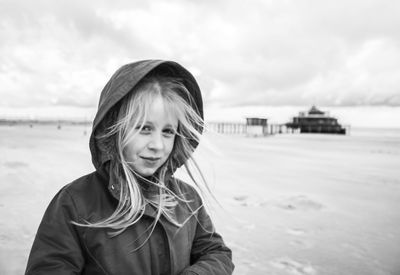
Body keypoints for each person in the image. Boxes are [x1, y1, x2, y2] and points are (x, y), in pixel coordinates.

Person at [25, 60, 234, 275]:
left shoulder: (187, 199)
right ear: (115, 130)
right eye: (144, 128)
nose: (157, 145)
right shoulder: (75, 202)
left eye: (168, 131)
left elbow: (216, 252)